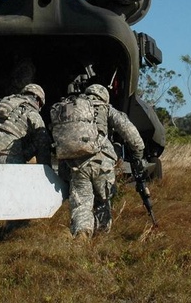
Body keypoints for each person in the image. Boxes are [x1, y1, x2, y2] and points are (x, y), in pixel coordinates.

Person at [50, 83, 145, 239]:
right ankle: (100, 238)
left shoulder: (71, 107)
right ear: (104, 97)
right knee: (103, 200)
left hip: (76, 164)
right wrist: (138, 156)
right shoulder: (105, 108)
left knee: (82, 203)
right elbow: (132, 135)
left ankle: (82, 233)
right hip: (102, 163)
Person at [0, 82, 51, 164]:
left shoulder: (4, 103)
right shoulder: (32, 113)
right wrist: (46, 168)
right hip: (9, 153)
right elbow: (43, 142)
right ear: (36, 98)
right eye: (40, 104)